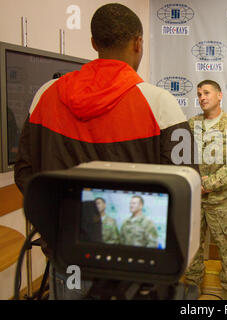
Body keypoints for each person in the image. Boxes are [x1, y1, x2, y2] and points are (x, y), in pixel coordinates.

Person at [14, 3, 198, 299]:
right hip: (138, 265)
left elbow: (25, 172)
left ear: (93, 43)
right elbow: (188, 185)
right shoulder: (161, 104)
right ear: (138, 43)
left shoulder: (44, 96)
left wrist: (64, 226)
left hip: (67, 255)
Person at [184, 80, 227, 300]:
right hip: (194, 200)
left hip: (221, 201)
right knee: (193, 248)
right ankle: (192, 288)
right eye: (199, 93)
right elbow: (182, 159)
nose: (202, 97)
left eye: (207, 93)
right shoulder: (191, 125)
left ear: (219, 96)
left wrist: (207, 185)